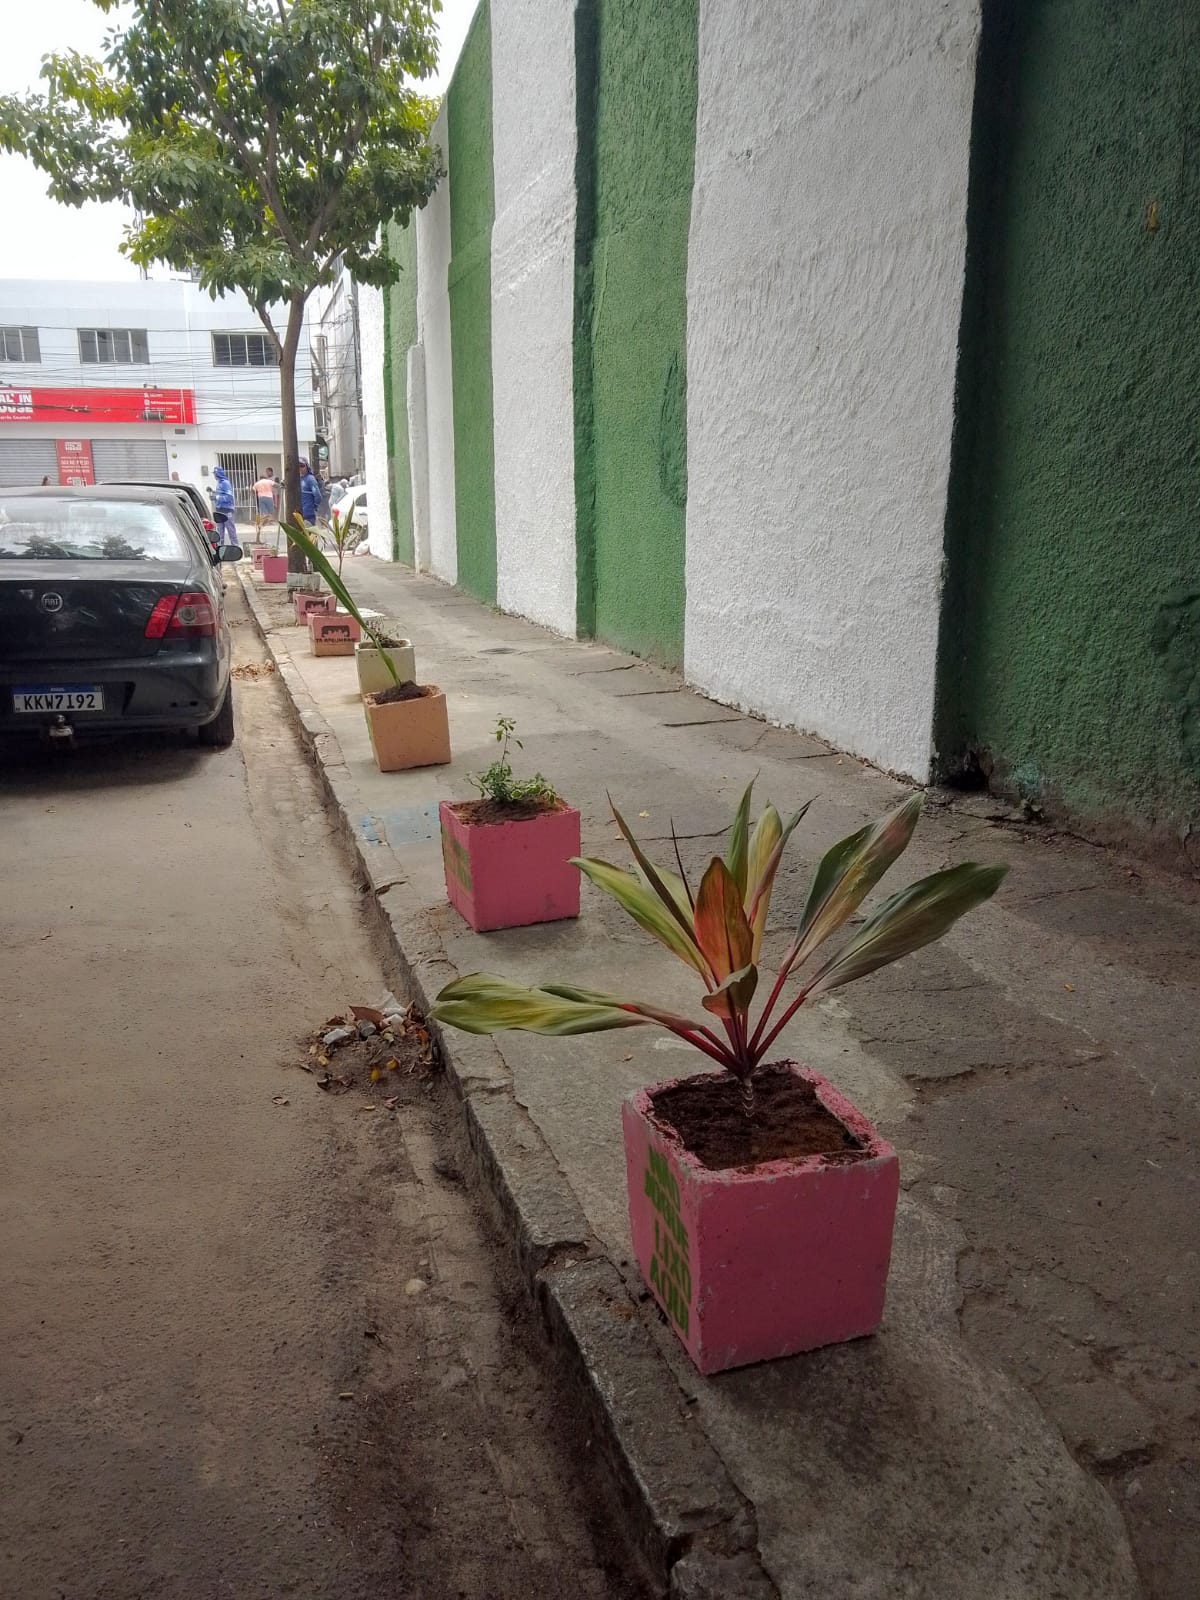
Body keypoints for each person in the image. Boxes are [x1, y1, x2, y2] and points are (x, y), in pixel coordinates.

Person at [211, 464, 237, 547]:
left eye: (215, 474)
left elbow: (229, 497)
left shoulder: (225, 483)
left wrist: (217, 497)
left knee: (231, 531)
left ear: (217, 473)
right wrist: (214, 496)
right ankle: (219, 548)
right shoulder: (219, 483)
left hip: (227, 511)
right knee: (220, 532)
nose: (214, 476)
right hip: (219, 510)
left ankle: (235, 547)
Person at [252, 466, 277, 535]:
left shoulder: (257, 483)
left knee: (263, 512)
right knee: (270, 512)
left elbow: (252, 489)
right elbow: (276, 485)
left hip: (261, 498)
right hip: (269, 497)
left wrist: (255, 495)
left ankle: (261, 524)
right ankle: (263, 523)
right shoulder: (268, 481)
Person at [298, 459, 322, 528]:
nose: (300, 468)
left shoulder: (310, 479)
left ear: (307, 467)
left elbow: (318, 496)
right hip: (298, 514)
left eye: (302, 466)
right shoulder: (298, 479)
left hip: (308, 515)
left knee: (309, 537)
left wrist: (314, 506)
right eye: (298, 466)